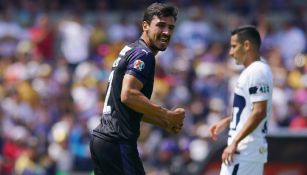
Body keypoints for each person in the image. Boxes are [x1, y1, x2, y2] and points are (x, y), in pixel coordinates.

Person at [90, 3, 185, 175]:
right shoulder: (143, 54)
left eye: (170, 27)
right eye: (161, 25)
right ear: (145, 26)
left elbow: (129, 107)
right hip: (117, 141)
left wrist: (164, 122)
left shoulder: (131, 49)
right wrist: (166, 114)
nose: (166, 32)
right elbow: (129, 95)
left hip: (105, 141)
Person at [208, 25, 273, 175]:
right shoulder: (254, 70)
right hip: (247, 151)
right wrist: (230, 120)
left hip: (244, 150)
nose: (230, 52)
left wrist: (235, 142)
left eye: (233, 46)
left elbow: (259, 112)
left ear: (247, 45)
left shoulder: (257, 71)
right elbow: (251, 111)